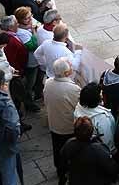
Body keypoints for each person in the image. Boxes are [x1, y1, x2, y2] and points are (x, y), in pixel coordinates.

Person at [43, 57, 81, 185]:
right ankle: (67, 173)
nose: (72, 66)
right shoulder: (73, 89)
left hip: (54, 123)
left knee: (57, 148)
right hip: (68, 126)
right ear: (66, 73)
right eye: (70, 66)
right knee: (70, 150)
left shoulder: (48, 83)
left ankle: (60, 170)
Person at [60, 116, 119, 185]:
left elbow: (62, 164)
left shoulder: (69, 144)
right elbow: (112, 169)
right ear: (91, 131)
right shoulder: (99, 149)